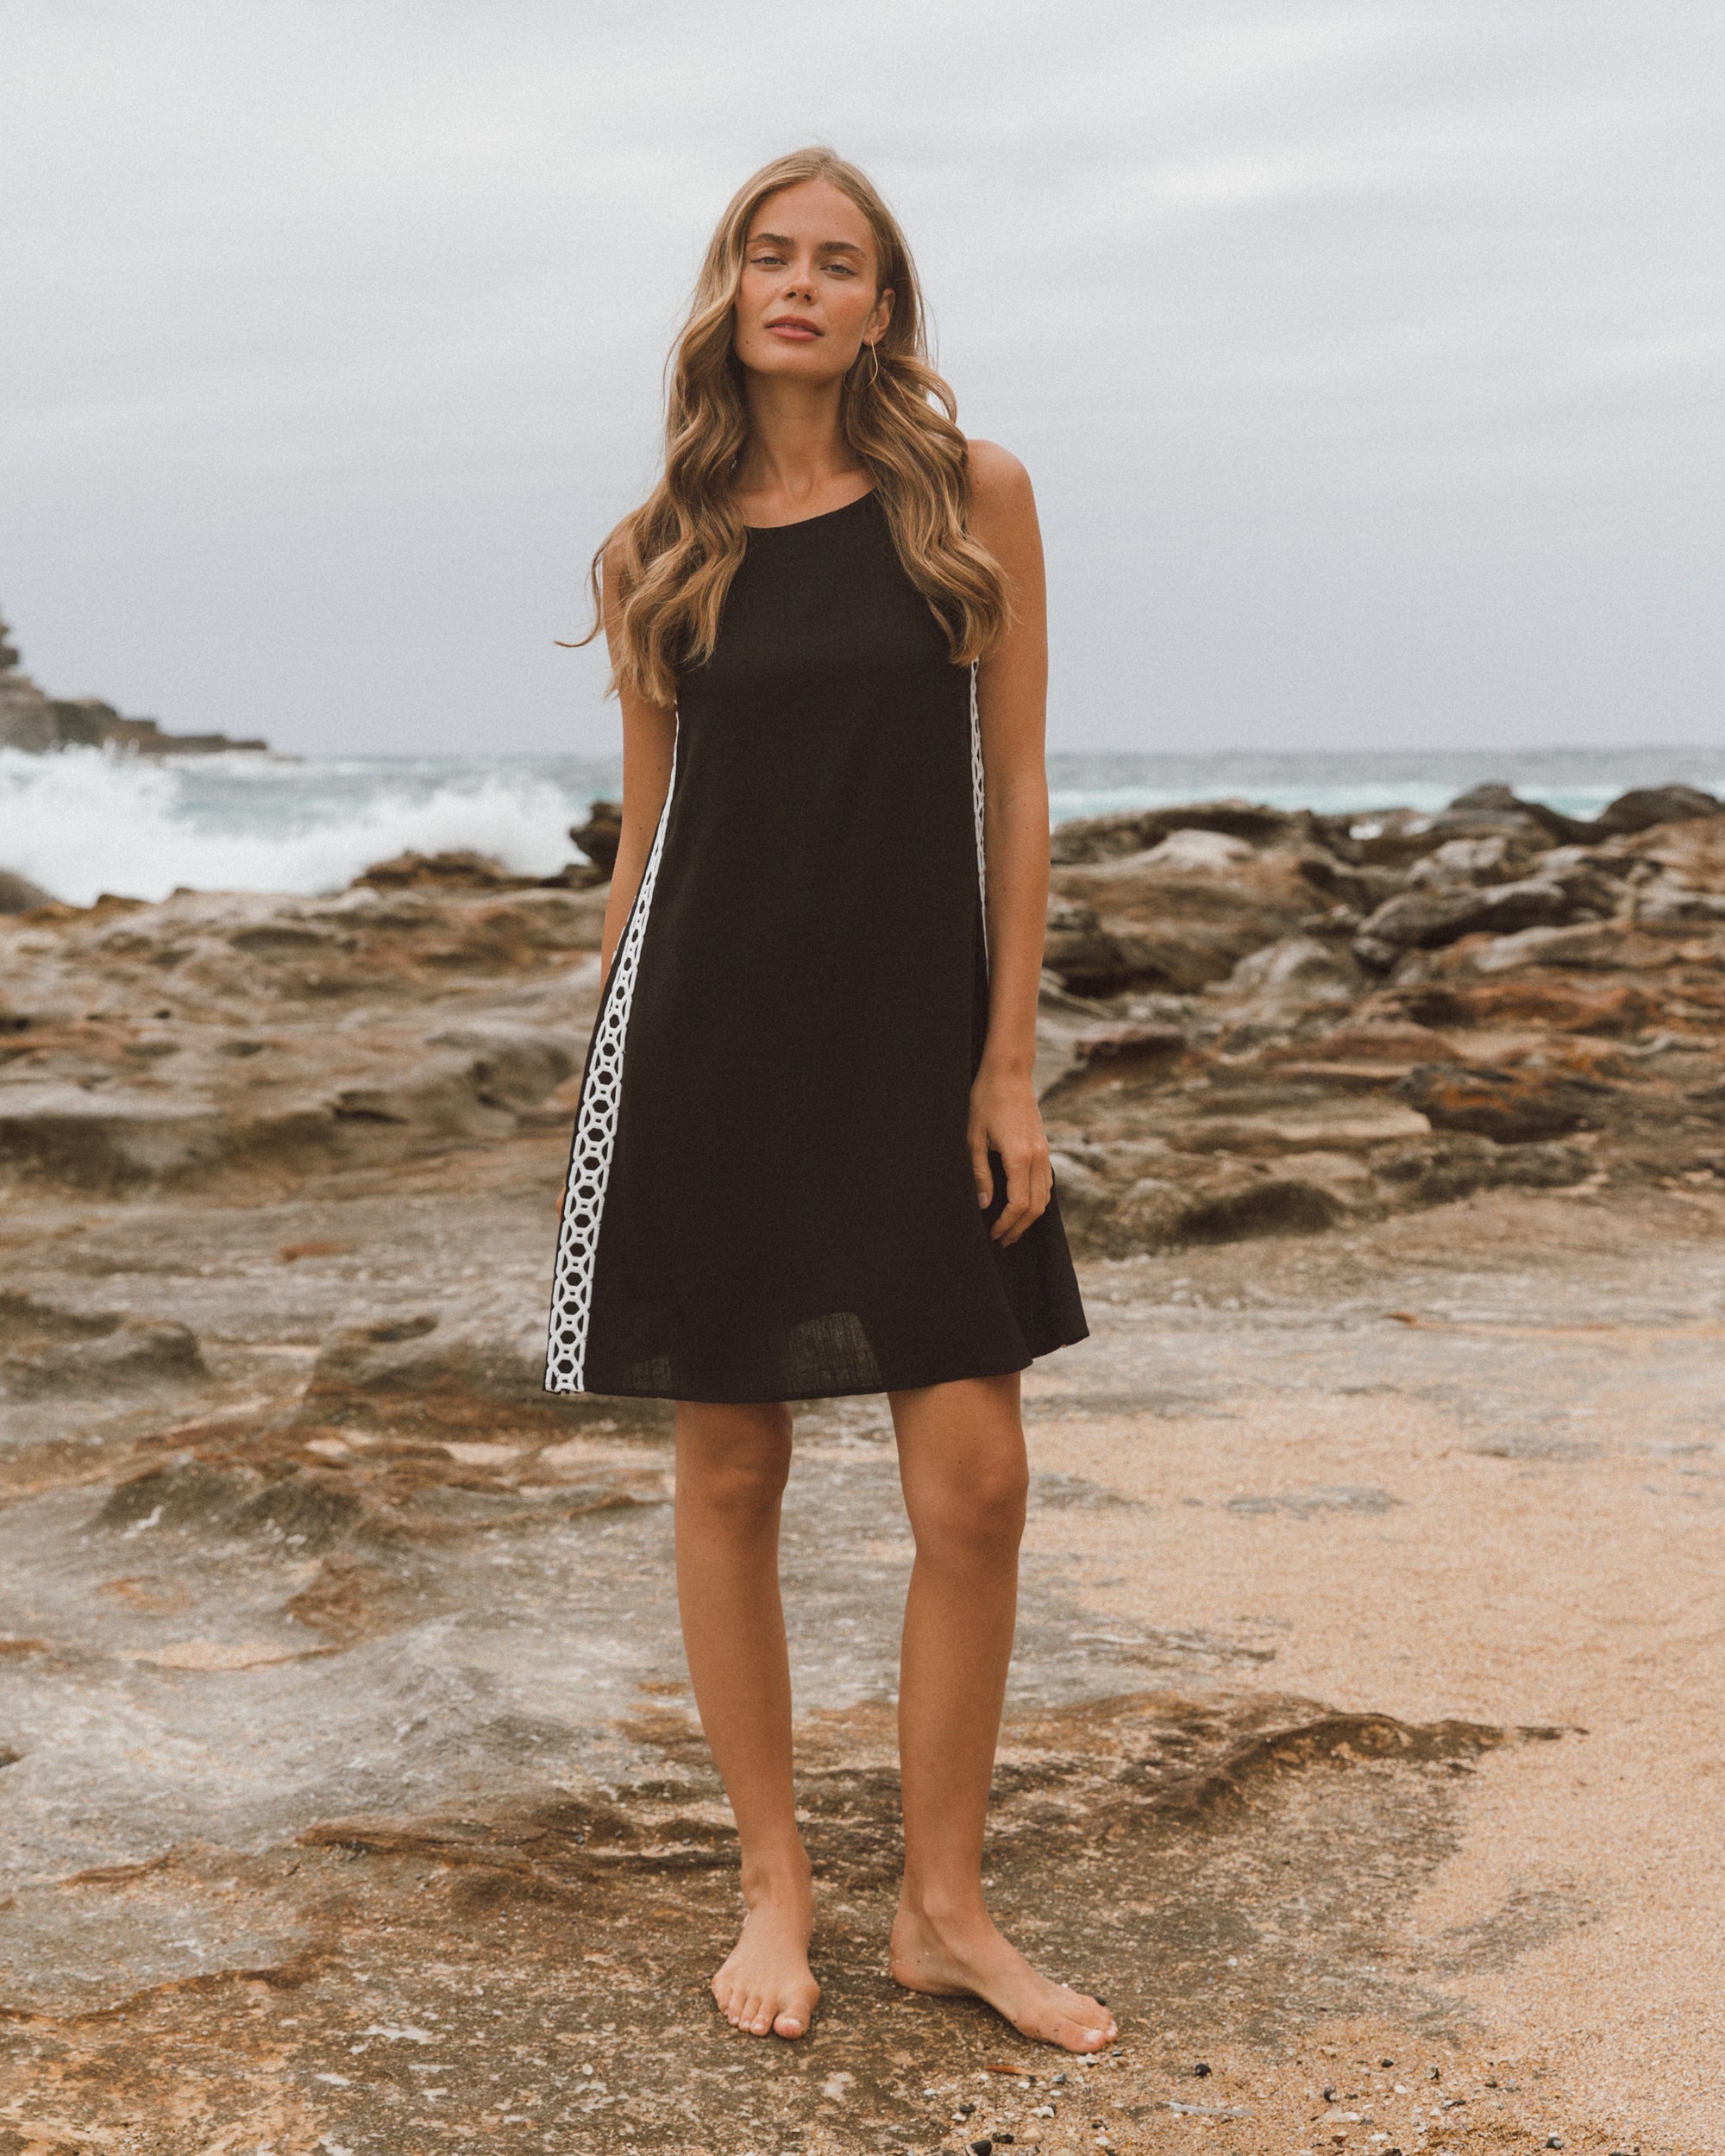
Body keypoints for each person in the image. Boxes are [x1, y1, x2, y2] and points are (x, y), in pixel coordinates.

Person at [545, 146, 1112, 2054]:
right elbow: (649, 838)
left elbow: (1016, 792)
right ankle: (773, 1880)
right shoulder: (654, 549)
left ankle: (943, 1908)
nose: (799, 284)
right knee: (731, 1467)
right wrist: (609, 1068)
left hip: (913, 1045)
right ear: (729, 292)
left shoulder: (971, 499)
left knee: (979, 1480)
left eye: (838, 262)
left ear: (882, 307)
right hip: (708, 1042)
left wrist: (1008, 1063)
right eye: (768, 256)